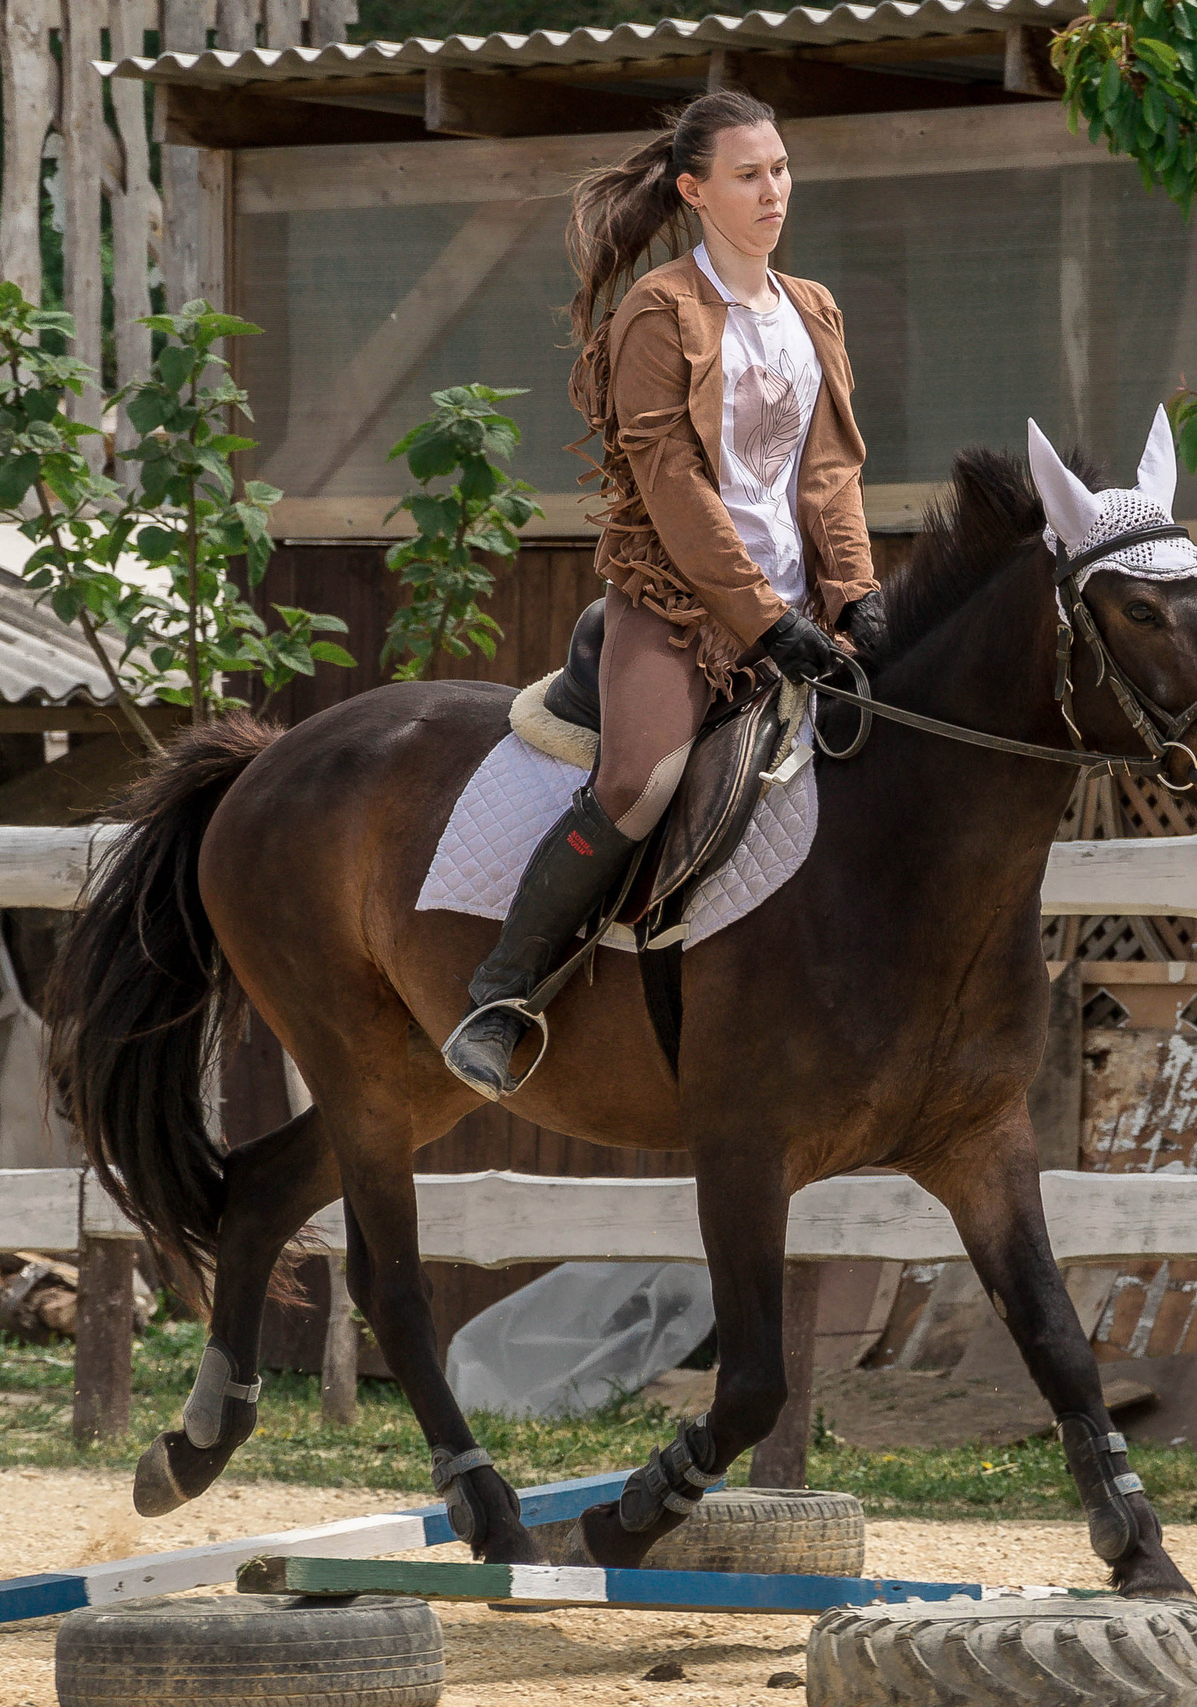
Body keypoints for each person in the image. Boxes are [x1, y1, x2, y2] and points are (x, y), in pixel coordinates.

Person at [442, 90, 885, 1098]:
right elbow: (671, 485)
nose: (772, 191)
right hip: (677, 607)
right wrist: (763, 620)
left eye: (779, 169)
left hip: (801, 614)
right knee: (638, 784)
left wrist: (854, 596)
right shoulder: (660, 312)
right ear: (694, 191)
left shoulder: (812, 307)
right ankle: (504, 991)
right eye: (747, 174)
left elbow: (827, 476)